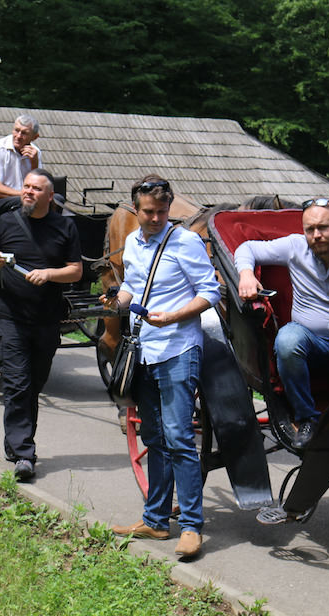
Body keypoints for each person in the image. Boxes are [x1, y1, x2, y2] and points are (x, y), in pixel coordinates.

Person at [106, 175, 221, 561]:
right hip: (144, 350)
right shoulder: (135, 245)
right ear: (135, 210)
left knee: (178, 438)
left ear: (169, 209)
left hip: (178, 349)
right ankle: (156, 520)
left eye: (161, 211)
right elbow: (133, 287)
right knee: (154, 437)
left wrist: (173, 316)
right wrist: (118, 301)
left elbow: (210, 291)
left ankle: (191, 526)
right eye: (148, 212)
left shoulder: (185, 242)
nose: (155, 218)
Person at [234, 198, 329, 447]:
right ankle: (306, 418)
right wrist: (246, 274)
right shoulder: (294, 246)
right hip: (309, 341)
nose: (316, 235)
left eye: (323, 228)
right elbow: (247, 248)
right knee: (287, 340)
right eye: (310, 229)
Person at [0, 168, 82, 482]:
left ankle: (16, 442)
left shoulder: (65, 227)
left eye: (36, 189)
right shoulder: (6, 223)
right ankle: (25, 453)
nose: (28, 192)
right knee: (18, 384)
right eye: (26, 186)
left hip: (47, 320)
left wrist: (49, 274)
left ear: (50, 196)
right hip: (11, 317)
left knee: (33, 385)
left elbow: (76, 271)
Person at [0, 115, 42, 214]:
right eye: (16, 130)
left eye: (24, 133)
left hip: (20, 198)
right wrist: (26, 195)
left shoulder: (35, 152)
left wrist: (34, 163)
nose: (18, 136)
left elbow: (37, 185)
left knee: (57, 199)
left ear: (35, 137)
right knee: (26, 202)